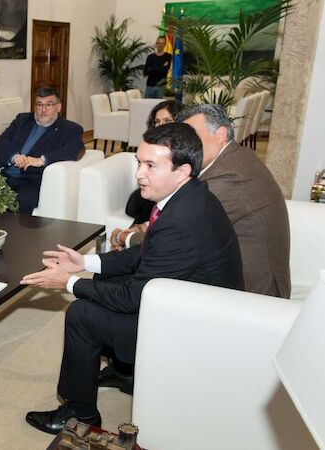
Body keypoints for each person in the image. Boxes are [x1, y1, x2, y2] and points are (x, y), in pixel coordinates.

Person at [20, 123, 244, 434]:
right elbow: (146, 254)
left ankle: (80, 415)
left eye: (151, 166)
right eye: (139, 162)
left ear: (182, 171)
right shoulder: (190, 197)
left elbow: (130, 299)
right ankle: (125, 371)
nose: (139, 174)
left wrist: (69, 283)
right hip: (189, 302)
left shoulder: (182, 220)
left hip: (194, 327)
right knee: (103, 281)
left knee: (81, 314)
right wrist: (85, 262)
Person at [111, 104, 291, 298]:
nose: (186, 143)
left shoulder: (229, 177)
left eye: (193, 135)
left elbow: (174, 234)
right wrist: (138, 229)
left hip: (249, 295)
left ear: (220, 134)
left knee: (121, 284)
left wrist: (125, 238)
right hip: (222, 273)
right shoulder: (233, 159)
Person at [0, 86, 85, 214]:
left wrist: (42, 160)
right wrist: (14, 157)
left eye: (49, 105)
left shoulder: (70, 129)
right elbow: (0, 141)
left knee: (20, 203)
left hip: (31, 181)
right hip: (4, 175)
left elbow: (74, 149)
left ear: (58, 107)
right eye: (39, 105)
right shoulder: (22, 120)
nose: (43, 109)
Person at [112, 99, 184, 245]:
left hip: (170, 200)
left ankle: (128, 239)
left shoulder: (185, 150)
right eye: (157, 122)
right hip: (150, 198)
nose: (161, 126)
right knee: (140, 201)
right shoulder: (151, 145)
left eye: (167, 121)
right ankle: (129, 239)